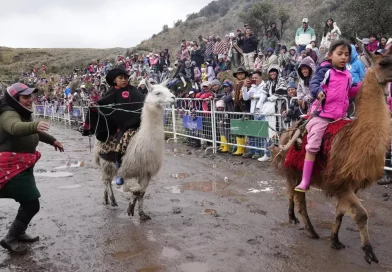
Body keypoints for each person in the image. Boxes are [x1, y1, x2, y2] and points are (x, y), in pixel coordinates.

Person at [0, 83, 64, 253]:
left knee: (28, 201)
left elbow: (32, 131)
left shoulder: (21, 112)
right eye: (25, 97)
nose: (29, 100)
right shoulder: (8, 113)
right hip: (11, 167)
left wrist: (52, 140)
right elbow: (15, 128)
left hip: (22, 165)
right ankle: (10, 238)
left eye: (30, 97)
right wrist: (34, 126)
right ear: (15, 99)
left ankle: (18, 233)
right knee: (31, 203)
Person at [295, 40, 361, 192]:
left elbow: (349, 92)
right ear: (330, 55)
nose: (343, 57)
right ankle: (305, 180)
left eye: (346, 54)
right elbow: (314, 84)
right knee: (313, 144)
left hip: (341, 116)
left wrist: (361, 87)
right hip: (322, 115)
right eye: (340, 54)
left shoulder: (348, 75)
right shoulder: (325, 70)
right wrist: (317, 91)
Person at [82, 66, 145, 186]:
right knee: (120, 143)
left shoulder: (134, 90)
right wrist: (95, 106)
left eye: (126, 78)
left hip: (135, 123)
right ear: (114, 80)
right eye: (121, 78)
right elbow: (103, 103)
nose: (124, 80)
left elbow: (143, 101)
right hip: (119, 125)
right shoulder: (112, 91)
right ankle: (120, 169)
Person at [242, 70, 266, 159]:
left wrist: (255, 96)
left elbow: (265, 96)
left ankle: (263, 152)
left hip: (262, 112)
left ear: (261, 77)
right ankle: (254, 151)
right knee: (254, 133)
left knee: (262, 134)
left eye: (256, 78)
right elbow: (245, 97)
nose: (254, 79)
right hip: (254, 113)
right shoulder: (252, 87)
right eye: (253, 78)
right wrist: (244, 87)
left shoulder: (265, 85)